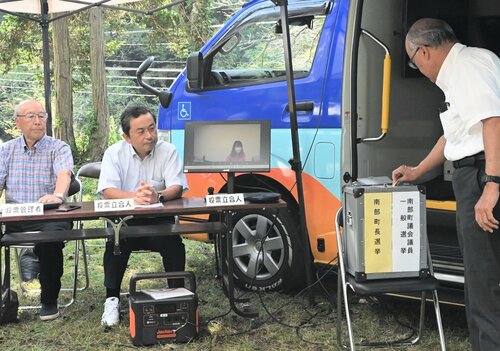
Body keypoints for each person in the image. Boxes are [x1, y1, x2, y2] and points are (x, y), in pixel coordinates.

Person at [392, 19, 500, 351]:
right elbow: (454, 134)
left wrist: (492, 185)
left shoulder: (468, 66)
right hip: (477, 173)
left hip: (483, 174)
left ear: (422, 52)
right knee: (480, 276)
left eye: (413, 61)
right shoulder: (463, 71)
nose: (418, 68)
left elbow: (493, 120)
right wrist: (418, 171)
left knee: (485, 280)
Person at [97, 105, 188, 327]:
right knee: (115, 245)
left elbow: (176, 186)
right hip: (125, 219)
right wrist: (135, 198)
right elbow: (108, 191)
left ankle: (175, 296)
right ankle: (112, 300)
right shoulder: (114, 153)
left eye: (152, 128)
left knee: (174, 243)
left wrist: (157, 196)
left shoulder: (168, 150)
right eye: (141, 131)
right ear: (126, 137)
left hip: (159, 217)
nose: (150, 136)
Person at [0, 100, 74, 321]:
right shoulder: (6, 150)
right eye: (31, 116)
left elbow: (64, 175)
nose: (38, 121)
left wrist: (58, 196)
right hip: (16, 216)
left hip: (49, 215)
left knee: (50, 238)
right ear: (18, 122)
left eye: (42, 116)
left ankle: (49, 301)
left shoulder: (58, 147)